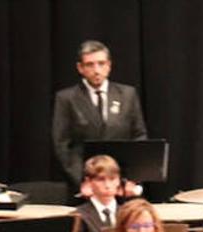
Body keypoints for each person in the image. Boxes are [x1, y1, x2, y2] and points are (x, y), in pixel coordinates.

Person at [51, 39, 148, 188]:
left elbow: (139, 136)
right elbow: (62, 145)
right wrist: (83, 181)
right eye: (90, 65)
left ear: (109, 66)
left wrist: (133, 179)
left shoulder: (127, 94)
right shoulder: (66, 98)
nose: (97, 70)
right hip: (85, 185)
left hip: (121, 183)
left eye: (101, 64)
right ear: (80, 68)